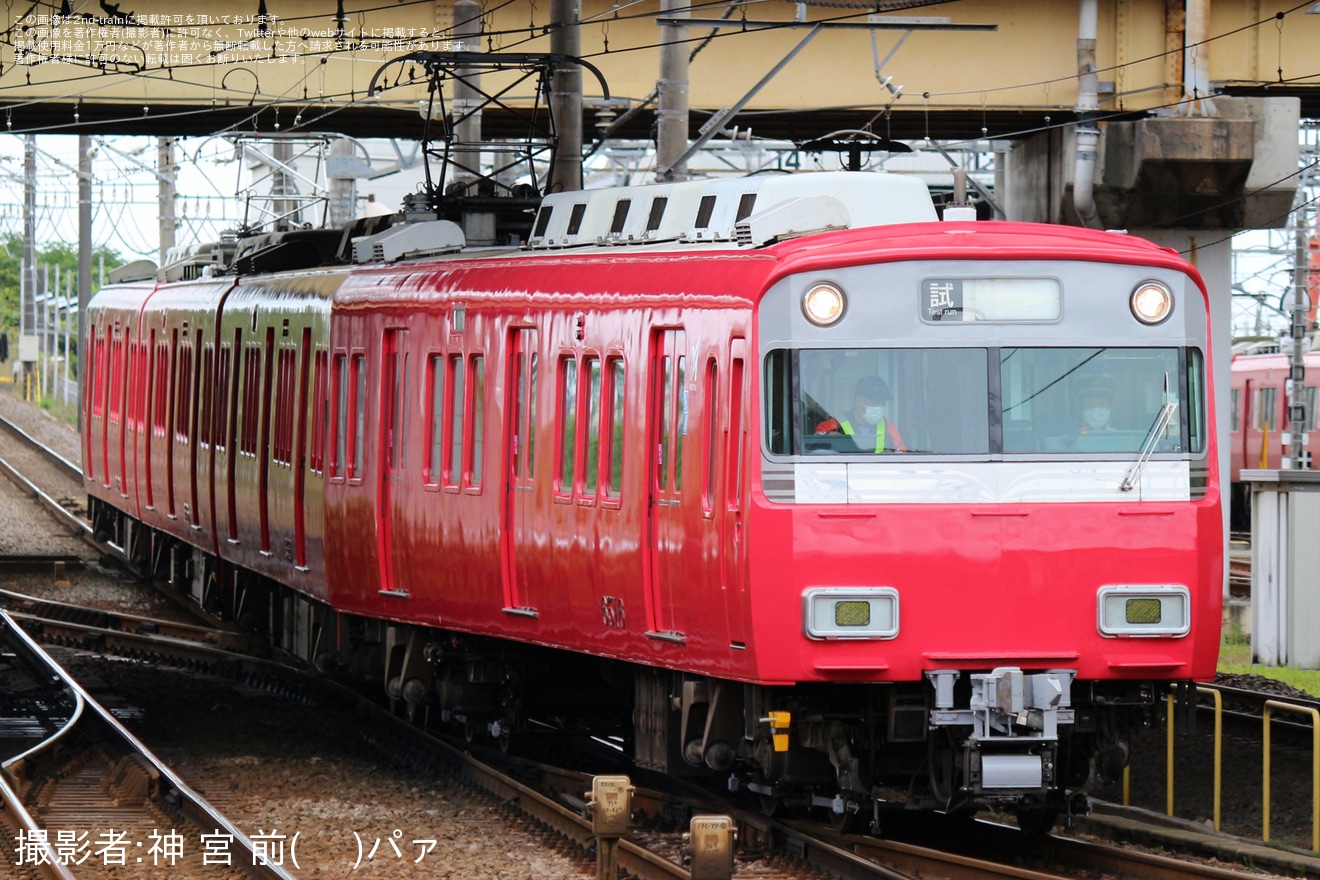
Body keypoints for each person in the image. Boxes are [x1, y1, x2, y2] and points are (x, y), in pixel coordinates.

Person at [815, 375, 906, 452]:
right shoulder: (832, 425)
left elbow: (903, 454)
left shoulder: (888, 426)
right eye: (874, 402)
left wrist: (892, 455)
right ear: (858, 401)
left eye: (882, 403)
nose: (879, 407)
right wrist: (829, 440)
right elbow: (814, 449)